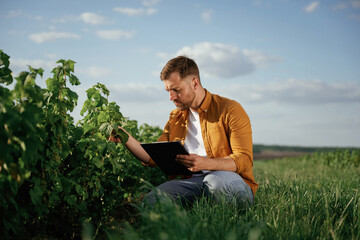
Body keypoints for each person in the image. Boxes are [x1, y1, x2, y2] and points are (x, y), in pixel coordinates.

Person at [115, 56, 258, 207]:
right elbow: (152, 158)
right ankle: (197, 210)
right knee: (152, 201)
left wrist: (205, 163)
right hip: (193, 182)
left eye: (176, 90)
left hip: (228, 180)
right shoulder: (176, 117)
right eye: (168, 91)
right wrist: (125, 138)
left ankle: (219, 221)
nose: (171, 97)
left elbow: (244, 160)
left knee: (215, 183)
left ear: (195, 83)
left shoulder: (230, 109)